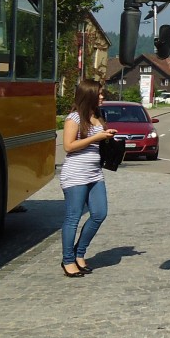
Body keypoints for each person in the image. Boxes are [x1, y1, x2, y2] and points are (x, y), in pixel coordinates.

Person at [59, 78, 116, 277]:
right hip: (75, 174)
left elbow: (97, 143)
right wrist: (95, 138)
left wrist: (107, 136)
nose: (102, 96)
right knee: (73, 218)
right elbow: (68, 146)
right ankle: (68, 260)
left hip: (94, 173)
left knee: (100, 213)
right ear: (89, 95)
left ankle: (79, 253)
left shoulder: (98, 117)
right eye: (99, 93)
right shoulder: (73, 118)